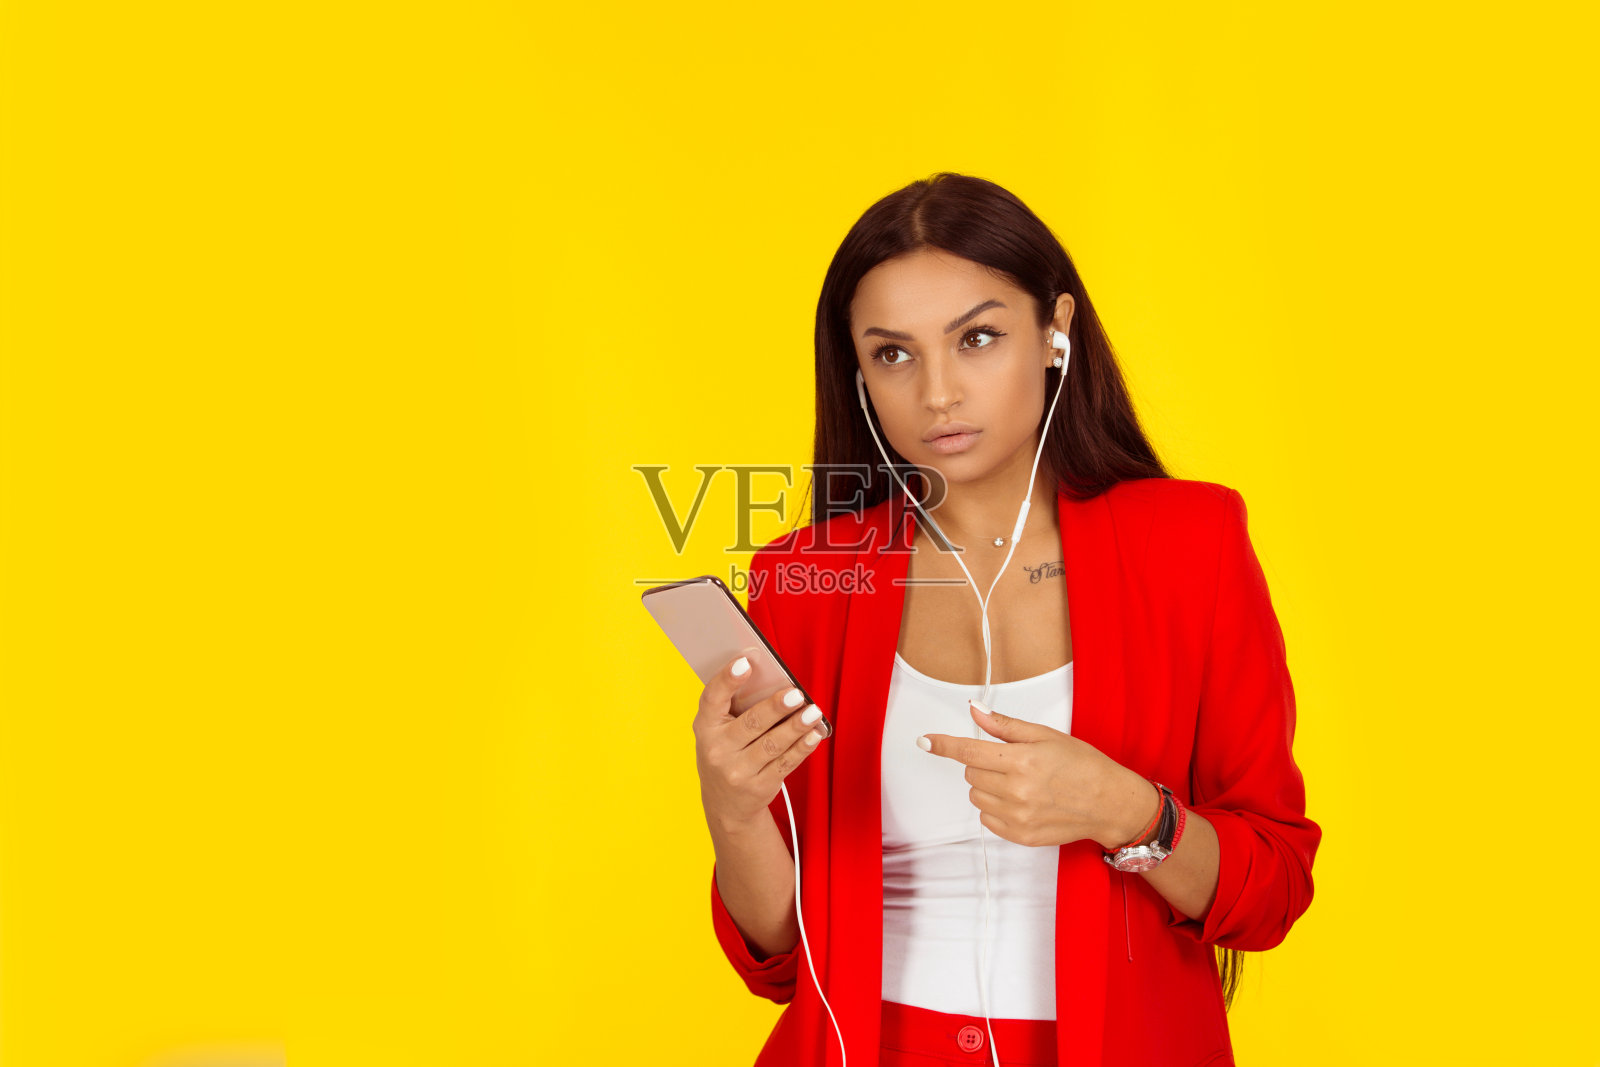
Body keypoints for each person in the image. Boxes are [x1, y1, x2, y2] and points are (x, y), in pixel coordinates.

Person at [689, 172, 1320, 1067]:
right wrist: (735, 815)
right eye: (894, 354)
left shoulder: (1192, 543)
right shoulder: (807, 579)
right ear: (859, 374)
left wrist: (1130, 811)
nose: (938, 392)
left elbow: (1273, 889)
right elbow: (784, 962)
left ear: (1054, 330)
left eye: (977, 338)